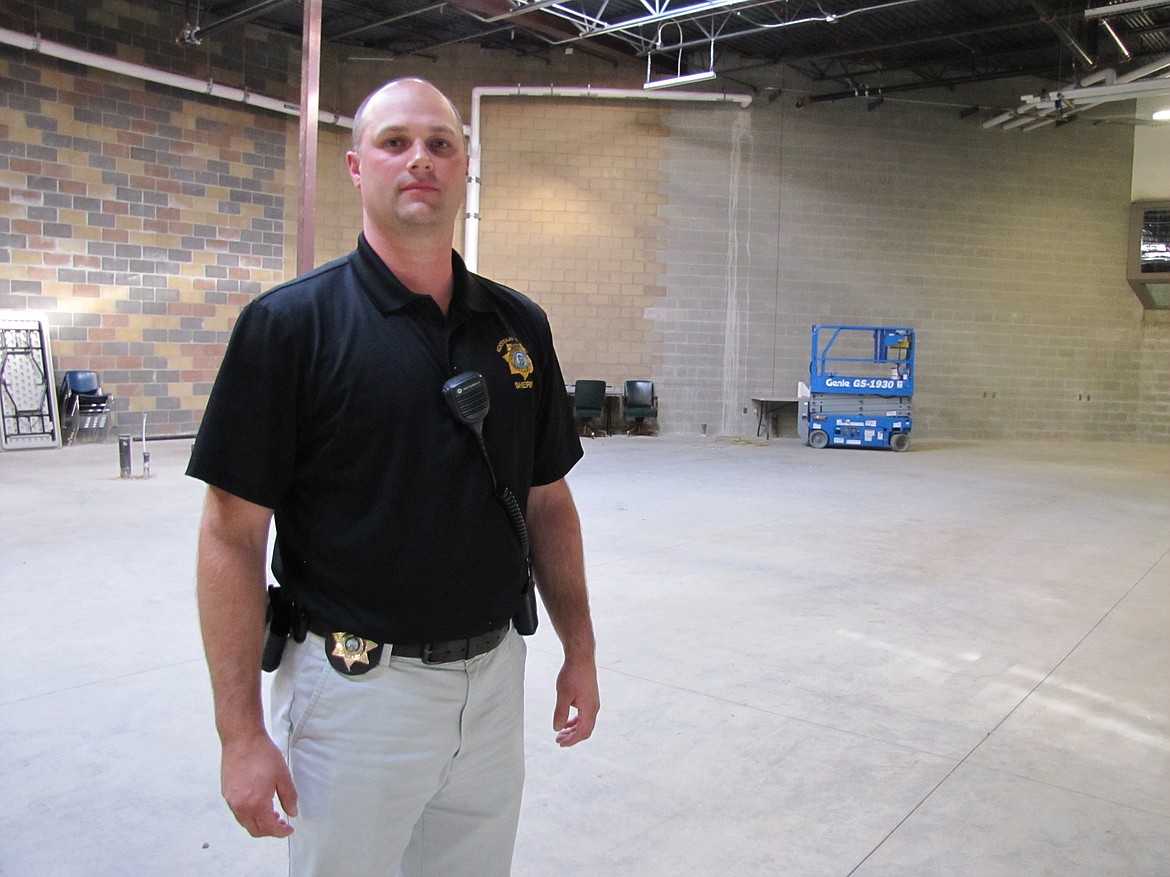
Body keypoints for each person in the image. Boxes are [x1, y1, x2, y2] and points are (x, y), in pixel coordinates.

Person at [188, 77, 599, 877]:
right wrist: (240, 731)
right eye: (396, 142)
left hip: (491, 686)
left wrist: (578, 647)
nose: (421, 160)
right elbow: (231, 536)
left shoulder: (519, 326)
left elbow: (548, 501)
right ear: (354, 167)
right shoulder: (289, 326)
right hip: (354, 698)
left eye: (441, 144)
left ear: (465, 167)